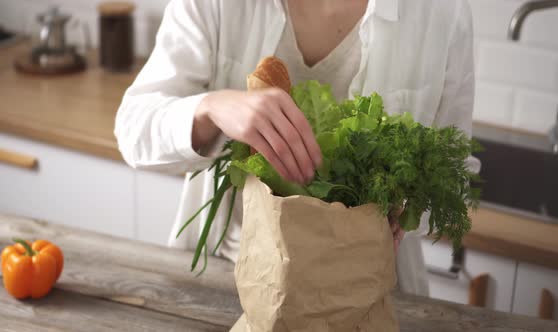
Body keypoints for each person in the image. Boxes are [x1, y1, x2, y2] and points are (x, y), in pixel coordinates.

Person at [115, 0, 481, 296]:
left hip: (364, 292)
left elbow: (455, 179)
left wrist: (406, 207)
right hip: (229, 275)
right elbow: (134, 130)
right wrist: (212, 107)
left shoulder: (442, 13)